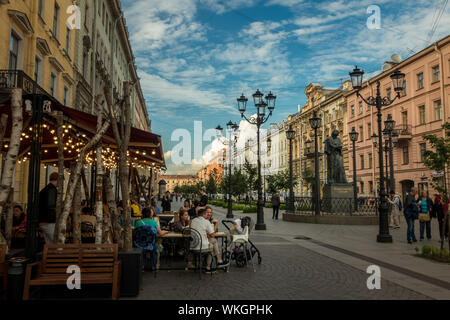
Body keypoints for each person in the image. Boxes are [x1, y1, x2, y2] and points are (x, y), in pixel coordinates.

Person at [189, 208, 226, 273]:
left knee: (213, 242)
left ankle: (218, 261)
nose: (207, 215)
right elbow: (212, 235)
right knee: (212, 244)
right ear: (204, 214)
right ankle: (209, 266)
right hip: (201, 247)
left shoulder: (193, 220)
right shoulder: (206, 222)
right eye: (206, 213)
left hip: (193, 245)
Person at [38, 172, 58, 244]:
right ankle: (59, 255)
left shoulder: (46, 189)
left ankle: (50, 254)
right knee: (56, 242)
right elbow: (51, 205)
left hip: (42, 220)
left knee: (49, 243)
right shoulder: (52, 190)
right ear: (57, 179)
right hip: (49, 220)